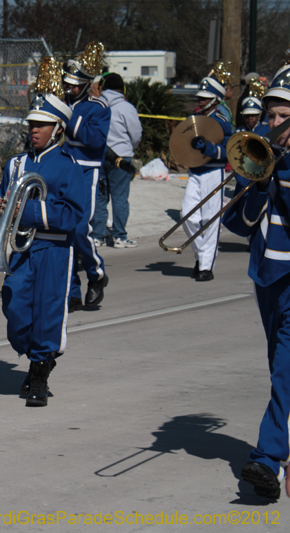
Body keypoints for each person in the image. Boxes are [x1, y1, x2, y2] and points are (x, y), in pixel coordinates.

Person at [0, 58, 85, 407]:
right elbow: (3, 205)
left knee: (47, 313)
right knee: (14, 305)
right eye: (32, 123)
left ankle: (39, 373)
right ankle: (35, 357)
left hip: (54, 249)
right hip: (21, 248)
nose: (34, 129)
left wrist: (24, 211)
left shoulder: (68, 166)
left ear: (57, 129)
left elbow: (73, 215)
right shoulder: (16, 163)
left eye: (42, 124)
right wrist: (0, 210)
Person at [221, 63, 290, 500]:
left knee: (286, 369)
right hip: (267, 274)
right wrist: (258, 186)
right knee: (279, 366)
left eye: (284, 116)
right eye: (271, 115)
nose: (274, 123)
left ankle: (268, 458)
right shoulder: (261, 152)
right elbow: (237, 224)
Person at [62, 42, 111, 310]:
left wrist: (68, 117)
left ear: (86, 84)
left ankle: (96, 275)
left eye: (75, 85)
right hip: (62, 169)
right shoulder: (61, 102)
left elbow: (95, 140)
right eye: (68, 84)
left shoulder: (99, 107)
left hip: (86, 169)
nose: (70, 89)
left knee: (81, 229)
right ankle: (71, 291)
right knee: (64, 231)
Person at [180, 75, 233, 282]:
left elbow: (228, 151)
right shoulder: (193, 119)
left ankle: (206, 266)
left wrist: (209, 148)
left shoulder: (222, 122)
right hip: (195, 171)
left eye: (205, 98)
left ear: (216, 100)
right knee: (187, 216)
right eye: (199, 98)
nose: (200, 101)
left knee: (210, 219)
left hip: (213, 171)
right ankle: (202, 255)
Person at [92, 73, 142, 249]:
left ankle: (97, 236)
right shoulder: (126, 107)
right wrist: (132, 148)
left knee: (100, 198)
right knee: (120, 198)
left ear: (103, 88)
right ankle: (120, 236)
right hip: (121, 157)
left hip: (100, 156)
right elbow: (136, 133)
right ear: (122, 89)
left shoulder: (97, 106)